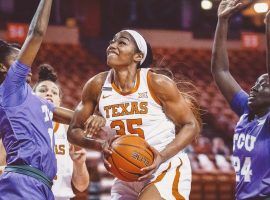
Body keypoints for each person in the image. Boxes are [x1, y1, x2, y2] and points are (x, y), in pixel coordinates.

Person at [68, 29, 201, 200]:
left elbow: (191, 125)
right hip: (125, 173)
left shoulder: (156, 83)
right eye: (112, 41)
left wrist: (161, 156)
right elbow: (73, 130)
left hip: (164, 166)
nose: (112, 45)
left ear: (138, 56)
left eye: (121, 42)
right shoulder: (96, 85)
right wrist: (100, 144)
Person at [0, 1, 74, 199]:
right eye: (20, 60)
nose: (28, 66)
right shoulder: (10, 88)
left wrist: (102, 126)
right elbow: (37, 33)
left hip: (42, 185)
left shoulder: (34, 100)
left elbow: (74, 117)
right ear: (3, 68)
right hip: (22, 182)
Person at [211, 0, 270, 199]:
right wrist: (222, 21)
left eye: (264, 85)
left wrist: (268, 27)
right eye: (256, 83)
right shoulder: (246, 110)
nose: (255, 87)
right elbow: (220, 71)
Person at [34, 64, 90, 200]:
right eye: (43, 90)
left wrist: (79, 163)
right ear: (31, 97)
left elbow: (82, 186)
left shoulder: (69, 130)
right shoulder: (20, 126)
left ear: (59, 101)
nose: (49, 93)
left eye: (54, 92)